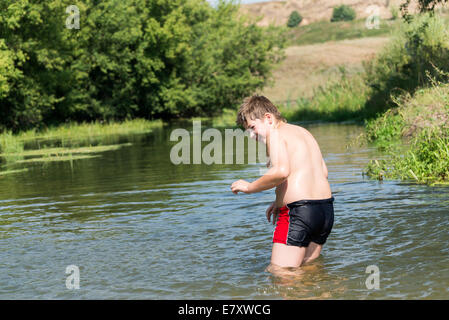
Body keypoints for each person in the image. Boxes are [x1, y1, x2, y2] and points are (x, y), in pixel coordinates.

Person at [230, 95, 334, 268]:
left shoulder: (275, 134)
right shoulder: (302, 132)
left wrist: (249, 187)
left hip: (299, 212)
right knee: (309, 270)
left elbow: (281, 171)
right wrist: (279, 200)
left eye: (252, 127)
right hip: (325, 211)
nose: (251, 135)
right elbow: (323, 171)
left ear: (268, 118)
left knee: (281, 274)